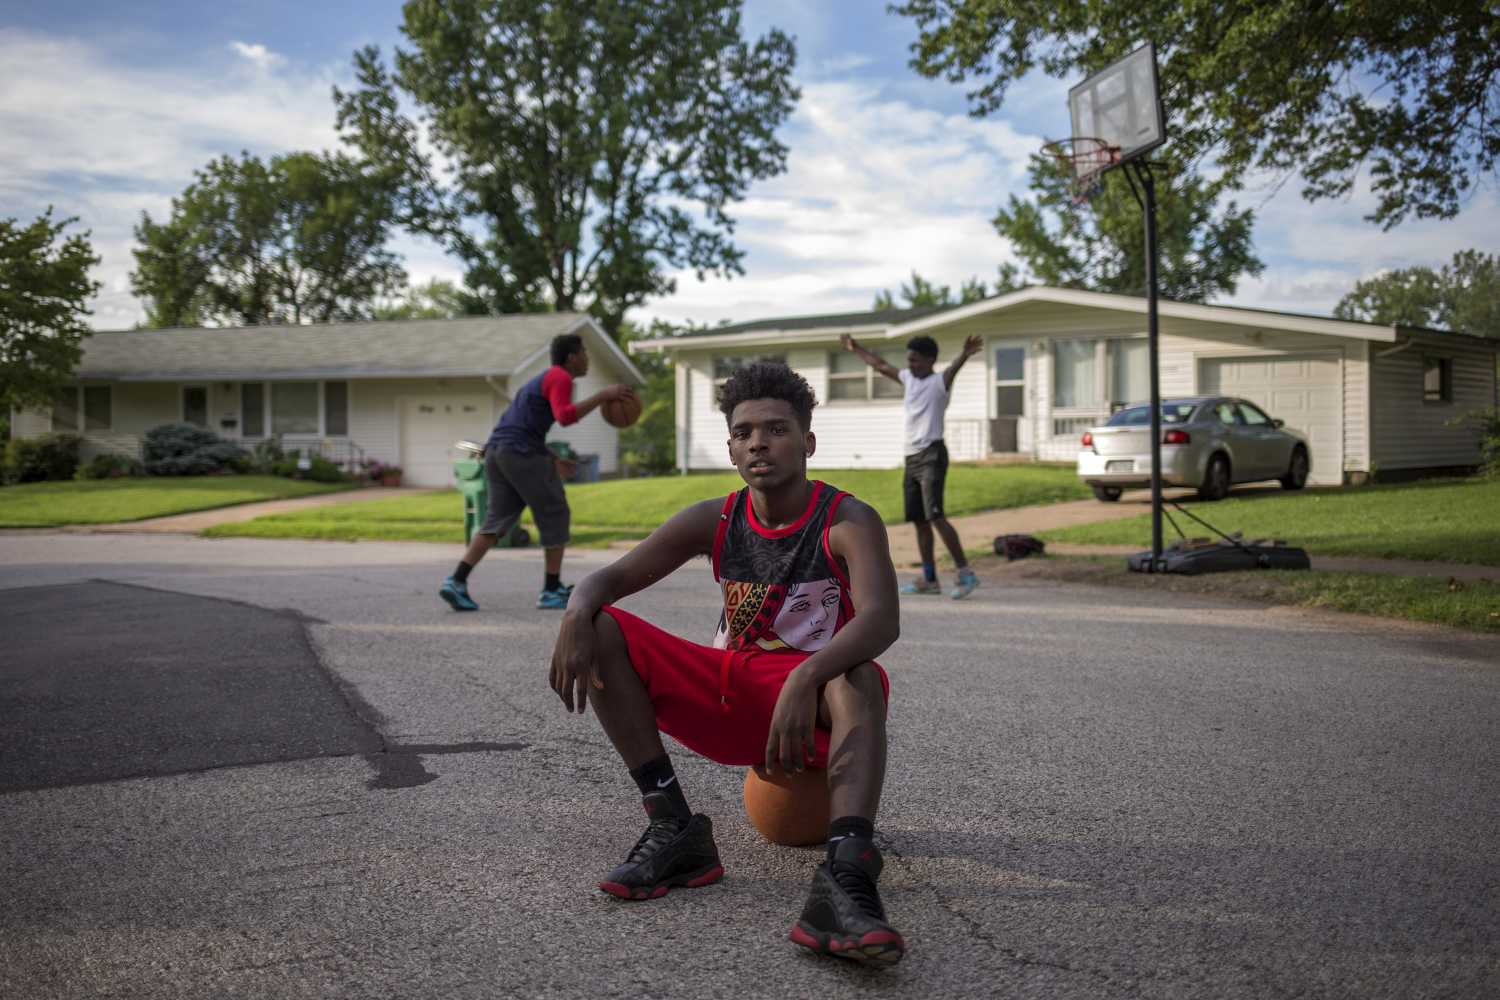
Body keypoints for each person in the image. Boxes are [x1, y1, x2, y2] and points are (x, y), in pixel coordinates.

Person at [548, 361, 906, 965]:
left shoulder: (846, 519)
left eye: (777, 429)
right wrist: (575, 609)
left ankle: (846, 879)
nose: (759, 442)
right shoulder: (716, 518)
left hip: (812, 705)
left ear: (808, 442)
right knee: (604, 628)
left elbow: (880, 621)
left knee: (859, 673)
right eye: (744, 433)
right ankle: (675, 829)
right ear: (733, 450)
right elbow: (613, 577)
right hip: (733, 693)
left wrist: (806, 672)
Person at [440, 333, 634, 612]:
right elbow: (564, 416)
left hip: (498, 451)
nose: (588, 359)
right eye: (585, 353)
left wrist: (551, 457)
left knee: (495, 522)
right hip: (519, 452)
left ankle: (456, 581)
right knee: (555, 512)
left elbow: (524, 426)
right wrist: (604, 395)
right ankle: (551, 589)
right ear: (572, 357)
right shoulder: (560, 377)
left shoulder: (544, 379)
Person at [840, 331, 982, 599]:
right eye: (909, 360)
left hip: (932, 454)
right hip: (911, 457)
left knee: (935, 516)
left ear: (930, 360)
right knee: (919, 520)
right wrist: (855, 347)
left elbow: (952, 370)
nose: (911, 365)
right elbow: (880, 365)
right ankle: (929, 579)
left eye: (915, 360)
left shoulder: (939, 383)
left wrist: (964, 354)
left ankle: (965, 573)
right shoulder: (908, 379)